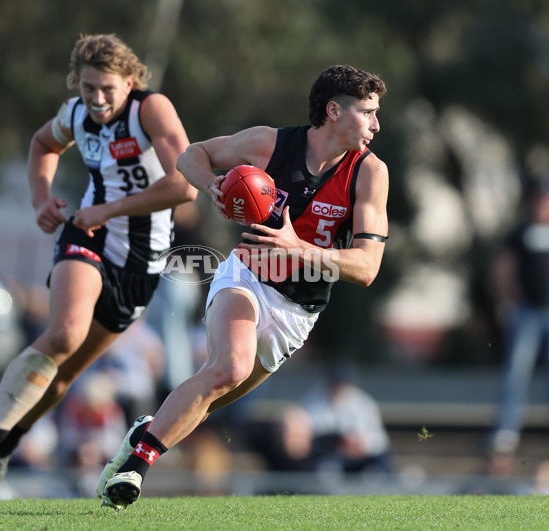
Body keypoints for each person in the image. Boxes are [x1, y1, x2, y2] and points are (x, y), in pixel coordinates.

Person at [98, 64, 389, 511]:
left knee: (211, 401)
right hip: (247, 276)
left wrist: (299, 249)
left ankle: (145, 433)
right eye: (367, 112)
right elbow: (190, 155)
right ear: (333, 111)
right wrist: (212, 185)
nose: (376, 124)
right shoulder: (269, 143)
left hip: (299, 310)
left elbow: (368, 267)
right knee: (228, 368)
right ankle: (135, 469)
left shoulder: (370, 173)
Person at [0, 33, 197, 499]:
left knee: (64, 375)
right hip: (87, 233)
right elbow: (43, 144)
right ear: (77, 85)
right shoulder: (75, 114)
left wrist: (112, 207)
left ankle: (4, 448)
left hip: (140, 263)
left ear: (129, 82)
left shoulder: (151, 109)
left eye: (107, 88)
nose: (98, 99)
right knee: (63, 333)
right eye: (88, 88)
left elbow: (184, 186)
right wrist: (41, 198)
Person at [487, 176, 549, 476]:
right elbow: (503, 267)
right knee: (516, 376)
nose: (541, 204)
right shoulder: (520, 232)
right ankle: (506, 435)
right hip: (526, 313)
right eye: (538, 198)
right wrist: (511, 298)